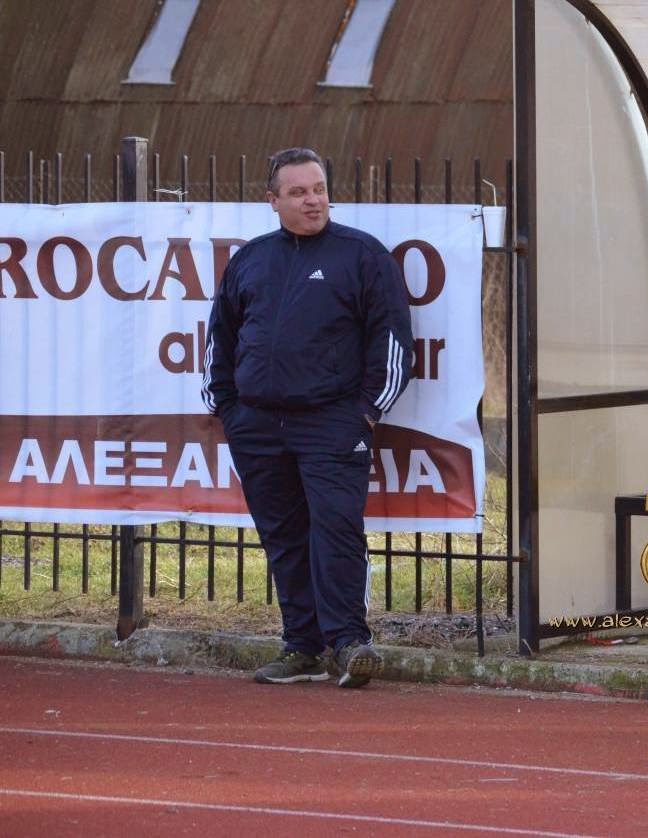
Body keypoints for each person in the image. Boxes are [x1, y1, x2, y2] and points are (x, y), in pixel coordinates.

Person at [202, 147, 415, 688]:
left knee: (336, 530)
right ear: (272, 201)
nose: (312, 200)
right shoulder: (251, 259)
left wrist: (366, 413)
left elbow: (392, 341)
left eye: (318, 189)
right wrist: (227, 407)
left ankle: (349, 644)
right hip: (256, 426)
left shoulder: (362, 256)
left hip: (333, 424)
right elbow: (220, 336)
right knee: (284, 537)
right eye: (298, 192)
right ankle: (302, 647)